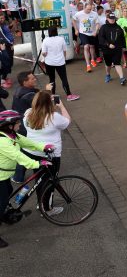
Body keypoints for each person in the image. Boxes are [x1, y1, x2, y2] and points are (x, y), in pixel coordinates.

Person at [0, 110, 54, 248]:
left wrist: (43, 147)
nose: (19, 125)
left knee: (8, 193)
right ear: (9, 125)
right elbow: (18, 156)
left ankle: (5, 215)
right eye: (17, 123)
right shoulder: (3, 141)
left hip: (4, 176)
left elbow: (26, 142)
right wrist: (37, 164)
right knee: (1, 203)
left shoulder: (12, 135)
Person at [22, 91, 70, 213]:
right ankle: (47, 209)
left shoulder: (28, 113)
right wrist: (61, 106)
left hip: (32, 152)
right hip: (49, 155)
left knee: (39, 180)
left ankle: (41, 203)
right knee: (50, 182)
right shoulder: (53, 117)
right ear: (50, 103)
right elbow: (67, 122)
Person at [41, 27, 79, 101]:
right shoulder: (61, 39)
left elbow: (44, 53)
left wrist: (46, 55)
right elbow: (64, 51)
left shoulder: (45, 40)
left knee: (51, 79)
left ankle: (52, 95)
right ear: (56, 31)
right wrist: (63, 59)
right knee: (64, 78)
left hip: (49, 62)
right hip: (60, 62)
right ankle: (69, 95)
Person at [98, 11, 127, 85]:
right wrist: (108, 44)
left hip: (117, 49)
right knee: (108, 64)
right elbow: (101, 38)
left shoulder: (118, 27)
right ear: (107, 18)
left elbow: (122, 38)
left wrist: (124, 46)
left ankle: (121, 78)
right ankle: (108, 74)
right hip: (106, 49)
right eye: (111, 18)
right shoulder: (103, 27)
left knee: (117, 63)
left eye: (113, 18)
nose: (112, 20)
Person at [73, 2, 100, 72]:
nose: (89, 11)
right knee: (86, 46)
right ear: (84, 8)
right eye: (88, 9)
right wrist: (76, 29)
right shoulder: (79, 14)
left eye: (90, 9)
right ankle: (88, 65)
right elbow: (73, 20)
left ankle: (92, 60)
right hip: (83, 33)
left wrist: (96, 31)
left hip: (92, 33)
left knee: (92, 46)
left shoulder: (94, 14)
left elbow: (97, 23)